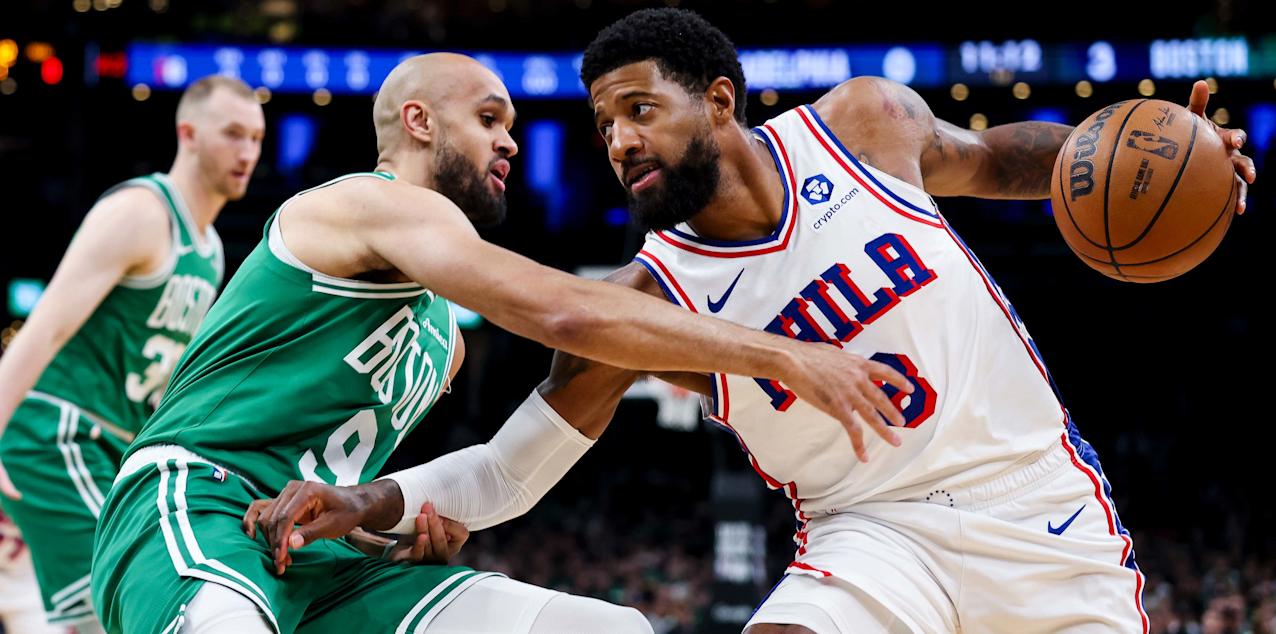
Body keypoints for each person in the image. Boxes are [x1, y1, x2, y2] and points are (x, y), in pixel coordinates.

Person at [257, 9, 1256, 633]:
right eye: (602, 125)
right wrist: (375, 499)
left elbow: (999, 159)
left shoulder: (862, 124)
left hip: (1036, 508)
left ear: (720, 101)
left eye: (639, 109)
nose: (618, 140)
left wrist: (1149, 154)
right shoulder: (647, 299)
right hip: (873, 537)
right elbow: (510, 468)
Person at [89, 52, 912, 634]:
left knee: (611, 628)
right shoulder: (360, 204)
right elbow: (566, 314)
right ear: (418, 122)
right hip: (196, 505)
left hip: (313, 555)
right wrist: (781, 352)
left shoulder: (443, 339)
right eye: (488, 120)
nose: (511, 141)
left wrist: (386, 528)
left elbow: (350, 475)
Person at [0, 75, 264, 632]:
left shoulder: (210, 250)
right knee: (129, 606)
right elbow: (45, 326)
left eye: (257, 138)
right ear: (188, 134)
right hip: (56, 432)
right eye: (233, 134)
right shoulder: (141, 212)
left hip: (110, 447)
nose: (247, 152)